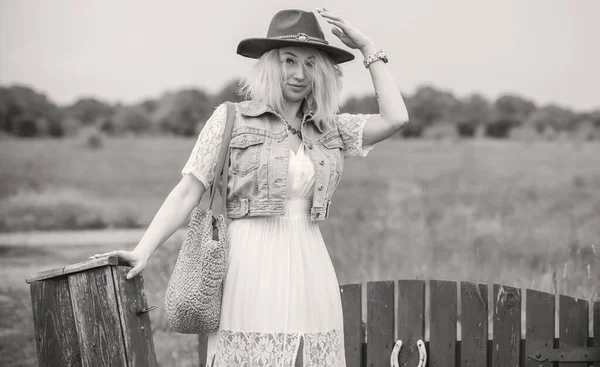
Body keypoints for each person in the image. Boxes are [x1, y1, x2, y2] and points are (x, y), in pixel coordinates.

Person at [91, 8, 409, 367]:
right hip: (249, 260)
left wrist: (368, 48)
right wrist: (143, 251)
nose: (299, 74)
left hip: (310, 260)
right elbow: (187, 190)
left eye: (310, 63)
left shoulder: (330, 128)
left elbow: (396, 118)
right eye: (289, 61)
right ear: (271, 64)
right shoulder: (231, 118)